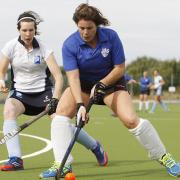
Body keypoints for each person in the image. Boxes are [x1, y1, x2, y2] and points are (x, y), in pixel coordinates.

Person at [40, 3, 180, 178]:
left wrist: (101, 84)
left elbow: (120, 68)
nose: (85, 32)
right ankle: (62, 164)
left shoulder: (111, 37)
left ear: (97, 25)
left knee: (131, 120)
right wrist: (80, 105)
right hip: (82, 87)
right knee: (60, 116)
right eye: (81, 28)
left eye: (89, 28)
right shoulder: (70, 44)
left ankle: (164, 157)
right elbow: (73, 78)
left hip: (111, 86)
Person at [0, 11, 108, 173]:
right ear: (19, 30)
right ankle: (15, 159)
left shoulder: (44, 48)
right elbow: (1, 71)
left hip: (44, 94)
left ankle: (94, 146)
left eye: (31, 30)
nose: (28, 34)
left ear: (35, 30)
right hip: (20, 95)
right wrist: (1, 80)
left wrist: (55, 99)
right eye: (24, 30)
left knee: (61, 123)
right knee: (8, 110)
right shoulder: (10, 47)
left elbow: (58, 77)